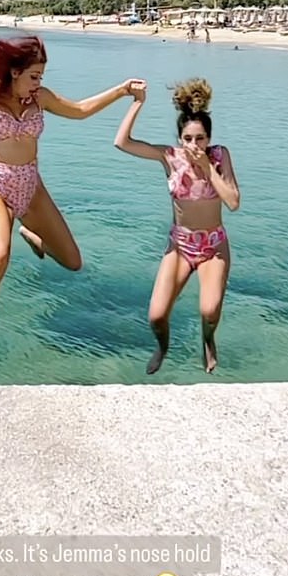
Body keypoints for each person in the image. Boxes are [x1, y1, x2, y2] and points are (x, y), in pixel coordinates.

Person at [0, 27, 145, 371]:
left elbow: (81, 110)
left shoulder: (39, 98)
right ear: (14, 72)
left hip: (30, 185)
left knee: (73, 262)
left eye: (40, 76)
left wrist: (121, 91)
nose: (37, 82)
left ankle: (31, 232)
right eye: (33, 75)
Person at [114, 78, 240, 374]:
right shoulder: (169, 157)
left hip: (213, 246)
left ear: (209, 138)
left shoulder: (220, 157)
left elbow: (233, 202)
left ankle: (208, 340)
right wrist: (137, 103)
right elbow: (122, 142)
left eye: (200, 139)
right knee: (156, 316)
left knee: (209, 311)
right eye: (188, 138)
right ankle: (162, 347)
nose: (194, 145)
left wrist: (209, 169)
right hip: (180, 246)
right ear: (180, 138)